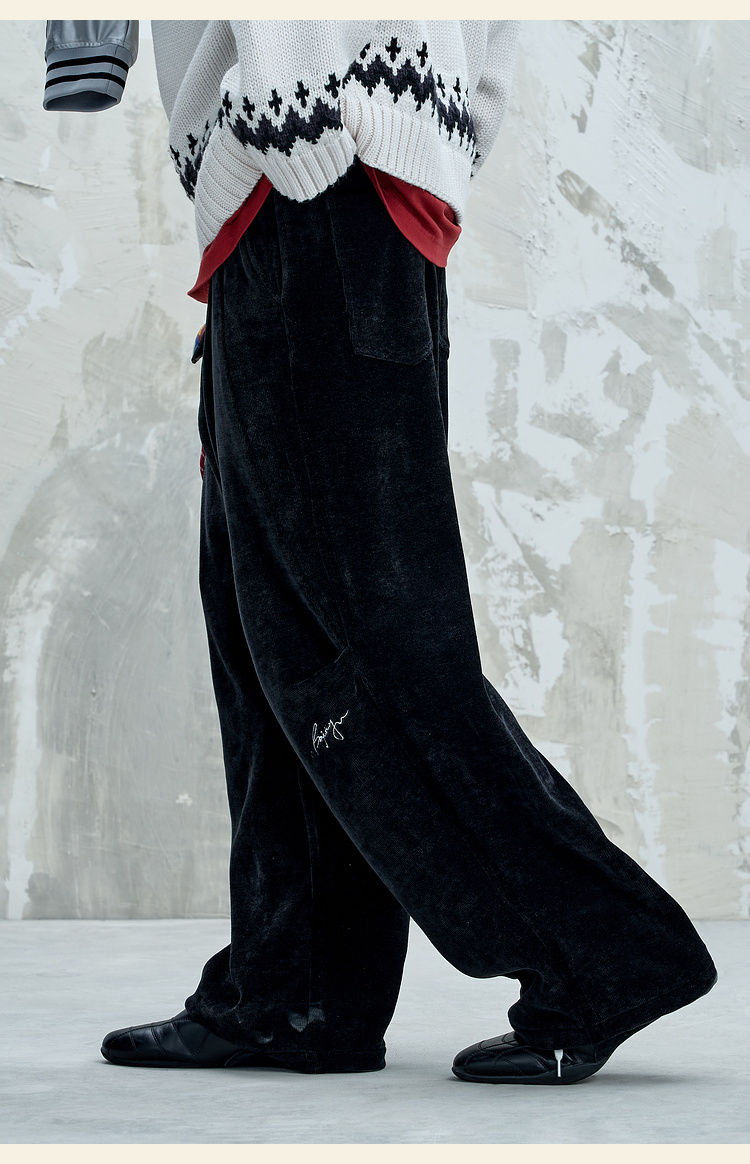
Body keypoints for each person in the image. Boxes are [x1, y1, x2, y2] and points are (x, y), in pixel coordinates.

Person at [43, 19, 716, 1086]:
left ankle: (609, 953)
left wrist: (295, 101)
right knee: (277, 636)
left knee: (378, 646)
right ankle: (297, 991)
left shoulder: (300, 125)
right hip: (320, 184)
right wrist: (437, 127)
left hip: (311, 163)